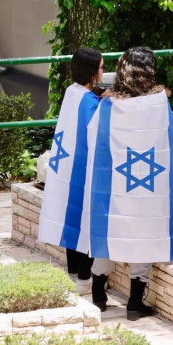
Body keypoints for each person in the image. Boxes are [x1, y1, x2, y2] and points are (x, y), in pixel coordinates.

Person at [85, 47, 173, 320]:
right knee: (145, 233)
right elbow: (169, 143)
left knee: (113, 232)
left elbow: (93, 136)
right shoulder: (158, 101)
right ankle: (135, 302)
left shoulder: (108, 104)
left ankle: (98, 294)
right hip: (151, 185)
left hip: (118, 183)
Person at [38, 47, 104, 282]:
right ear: (91, 73)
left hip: (66, 163)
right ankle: (85, 277)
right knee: (84, 216)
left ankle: (74, 269)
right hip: (82, 167)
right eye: (101, 68)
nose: (103, 72)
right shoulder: (90, 101)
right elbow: (97, 133)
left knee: (71, 214)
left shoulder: (71, 91)